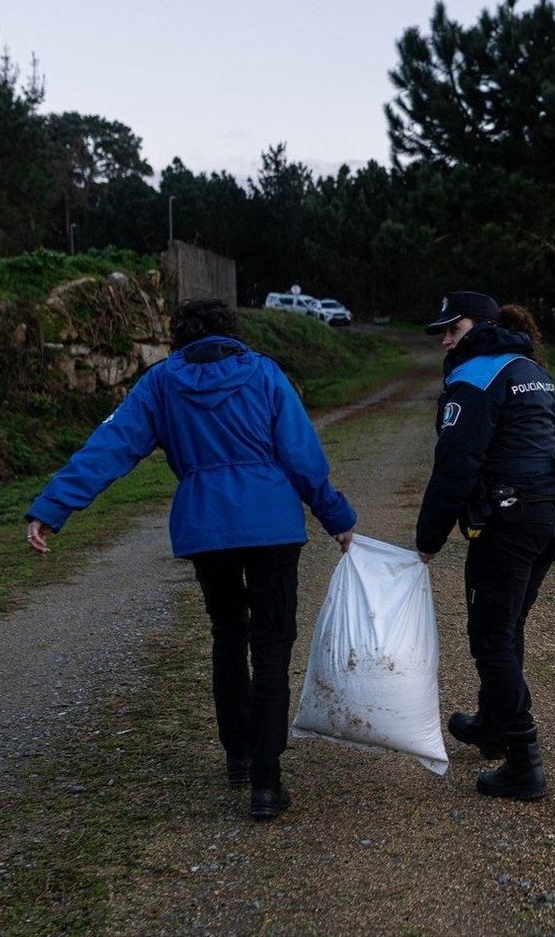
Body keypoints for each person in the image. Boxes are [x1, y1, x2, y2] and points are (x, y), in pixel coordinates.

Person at [23, 298, 356, 821]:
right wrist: (336, 517)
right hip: (272, 525)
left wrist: (53, 506)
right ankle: (267, 782)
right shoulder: (264, 373)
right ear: (233, 331)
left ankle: (239, 757)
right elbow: (301, 455)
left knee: (229, 635)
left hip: (206, 528)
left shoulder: (159, 383)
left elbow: (110, 446)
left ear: (178, 337)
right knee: (272, 646)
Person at [415, 291, 555, 801]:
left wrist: (427, 539)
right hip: (547, 523)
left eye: (452, 330)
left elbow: (456, 463)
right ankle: (495, 725)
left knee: (491, 638)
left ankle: (523, 763)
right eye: (442, 334)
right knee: (508, 624)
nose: (446, 342)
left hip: (508, 524)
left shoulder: (474, 377)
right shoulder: (529, 369)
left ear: (479, 325)